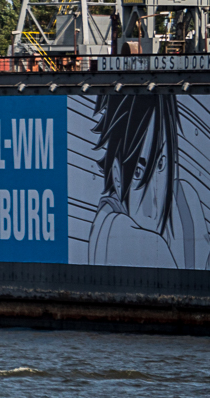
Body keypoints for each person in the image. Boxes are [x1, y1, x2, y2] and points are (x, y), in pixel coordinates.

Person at [88, 92, 210, 268]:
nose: (154, 196)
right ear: (116, 173)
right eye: (138, 172)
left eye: (161, 164)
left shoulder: (184, 202)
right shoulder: (112, 228)